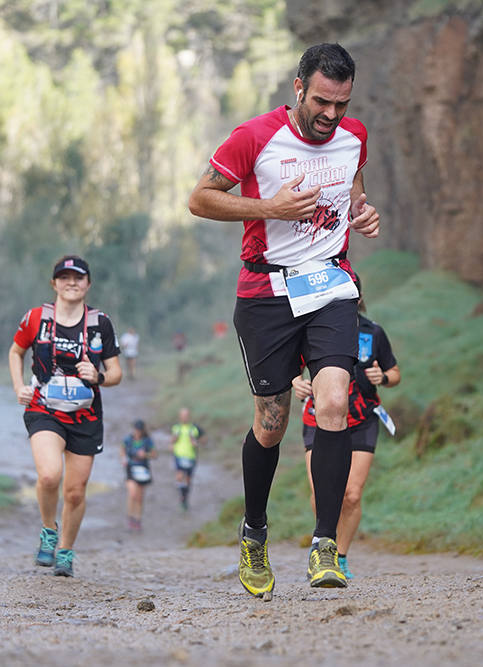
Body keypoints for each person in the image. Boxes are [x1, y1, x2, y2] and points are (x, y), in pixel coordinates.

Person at [188, 42, 380, 598]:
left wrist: (362, 212)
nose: (331, 115)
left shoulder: (355, 136)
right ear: (298, 88)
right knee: (270, 423)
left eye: (341, 104)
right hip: (266, 290)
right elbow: (200, 199)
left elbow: (354, 191)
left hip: (329, 284)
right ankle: (254, 532)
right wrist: (269, 207)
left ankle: (326, 547)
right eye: (322, 101)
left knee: (334, 401)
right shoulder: (255, 137)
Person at [8, 255, 123, 578]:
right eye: (64, 277)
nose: (71, 282)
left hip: (86, 416)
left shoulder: (100, 323)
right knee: (48, 475)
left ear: (88, 284)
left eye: (78, 277)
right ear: (54, 283)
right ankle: (48, 530)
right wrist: (19, 387)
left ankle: (66, 551)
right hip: (45, 409)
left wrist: (97, 376)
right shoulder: (36, 318)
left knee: (75, 491)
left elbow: (116, 373)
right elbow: (16, 351)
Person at [293, 285, 400, 580]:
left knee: (351, 495)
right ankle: (322, 546)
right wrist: (296, 382)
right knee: (321, 493)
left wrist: (385, 377)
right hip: (318, 419)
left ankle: (339, 557)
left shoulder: (373, 332)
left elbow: (394, 372)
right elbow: (293, 366)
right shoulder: (311, 327)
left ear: (358, 297)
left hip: (363, 419)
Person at [121, 419, 155, 532]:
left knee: (140, 497)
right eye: (136, 429)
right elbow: (122, 449)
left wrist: (145, 454)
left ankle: (138, 519)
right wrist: (124, 458)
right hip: (131, 469)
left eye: (139, 430)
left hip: (143, 470)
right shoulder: (128, 439)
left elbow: (154, 454)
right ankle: (130, 518)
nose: (137, 432)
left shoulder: (147, 441)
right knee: (132, 494)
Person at [170, 407, 203, 511]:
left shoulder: (193, 429)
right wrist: (174, 439)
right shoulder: (176, 428)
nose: (184, 417)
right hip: (179, 455)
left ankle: (185, 497)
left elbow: (197, 443)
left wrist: (195, 443)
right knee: (180, 476)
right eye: (182, 415)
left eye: (186, 415)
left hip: (190, 456)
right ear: (180, 417)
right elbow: (172, 441)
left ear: (189, 416)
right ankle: (181, 495)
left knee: (188, 479)